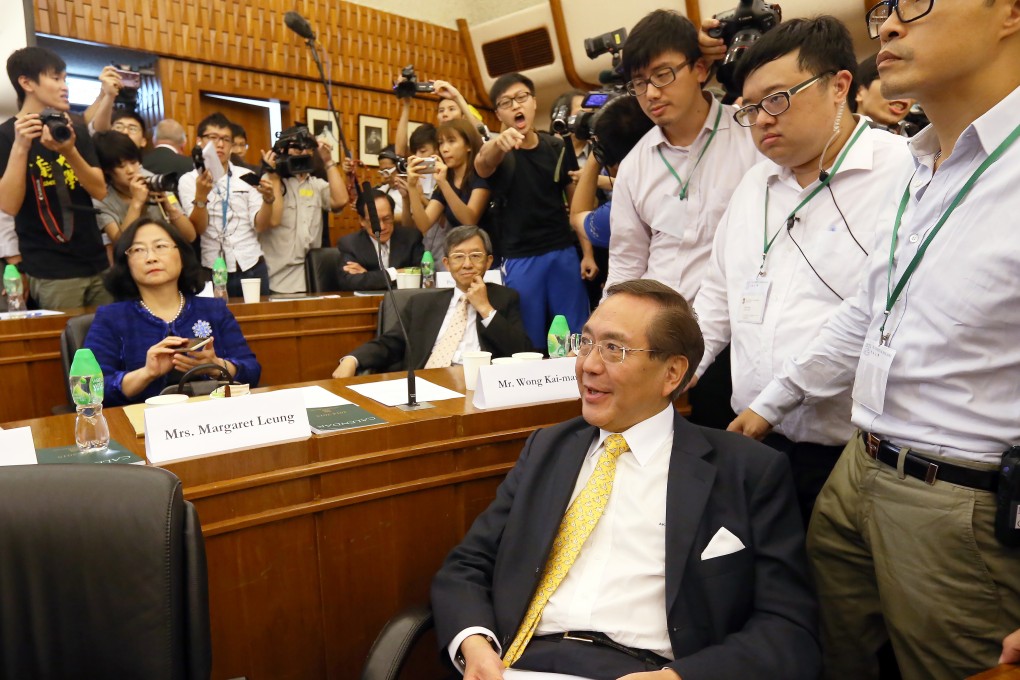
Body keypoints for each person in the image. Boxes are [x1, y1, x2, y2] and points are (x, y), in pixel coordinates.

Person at [728, 1, 1020, 678]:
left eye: (915, 2)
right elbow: (870, 310)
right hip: (861, 465)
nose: (886, 25)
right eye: (881, 8)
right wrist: (772, 403)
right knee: (829, 652)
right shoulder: (925, 163)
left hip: (958, 498)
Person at [431, 278, 820, 679]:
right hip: (519, 661)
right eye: (586, 343)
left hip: (646, 668)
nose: (588, 365)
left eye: (613, 349)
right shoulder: (548, 448)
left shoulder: (746, 470)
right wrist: (474, 644)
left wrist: (677, 678)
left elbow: (788, 628)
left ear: (672, 373)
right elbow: (469, 563)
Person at [690, 17, 912, 525]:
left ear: (839, 86)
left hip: (849, 453)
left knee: (837, 597)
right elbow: (718, 298)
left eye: (777, 99)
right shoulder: (755, 185)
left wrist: (774, 403)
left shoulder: (902, 174)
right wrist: (680, 372)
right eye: (749, 109)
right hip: (755, 440)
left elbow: (872, 314)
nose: (762, 119)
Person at [609, 10, 760, 429]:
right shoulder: (637, 163)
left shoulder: (750, 135)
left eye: (662, 75)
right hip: (656, 343)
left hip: (735, 336)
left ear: (699, 67)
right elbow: (626, 263)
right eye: (639, 83)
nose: (651, 93)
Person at [84, 217, 260, 407]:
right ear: (126, 264)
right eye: (138, 250)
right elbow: (89, 389)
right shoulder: (111, 318)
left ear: (182, 256)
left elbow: (252, 371)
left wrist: (217, 366)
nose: (151, 257)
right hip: (140, 426)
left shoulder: (214, 310)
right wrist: (146, 374)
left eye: (160, 246)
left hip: (214, 418)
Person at [475, 72, 591, 349]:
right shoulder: (498, 152)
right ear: (499, 114)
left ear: (534, 102)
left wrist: (586, 252)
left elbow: (577, 206)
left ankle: (576, 389)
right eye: (506, 102)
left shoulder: (557, 146)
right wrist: (496, 144)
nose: (516, 106)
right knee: (530, 339)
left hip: (562, 251)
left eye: (521, 98)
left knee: (572, 336)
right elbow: (482, 165)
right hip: (521, 257)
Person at [333, 226, 531, 377]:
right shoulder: (421, 304)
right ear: (446, 264)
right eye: (459, 257)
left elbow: (521, 351)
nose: (467, 264)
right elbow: (390, 343)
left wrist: (485, 308)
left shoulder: (505, 298)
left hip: (477, 384)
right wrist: (352, 359)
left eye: (476, 256)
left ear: (488, 262)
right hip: (427, 382)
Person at [0, 46, 111, 310]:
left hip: (96, 260)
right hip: (49, 268)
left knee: (106, 344)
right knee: (66, 345)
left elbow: (100, 190)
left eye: (65, 78)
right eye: (56, 78)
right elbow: (8, 205)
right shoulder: (6, 135)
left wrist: (69, 150)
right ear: (26, 82)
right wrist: (21, 147)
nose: (65, 86)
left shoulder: (74, 127)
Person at [178, 112, 273, 296]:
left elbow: (260, 226)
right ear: (200, 141)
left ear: (231, 145)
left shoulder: (246, 176)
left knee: (260, 322)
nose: (220, 144)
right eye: (213, 138)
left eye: (226, 139)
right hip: (212, 268)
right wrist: (201, 196)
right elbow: (198, 228)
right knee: (218, 322)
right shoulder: (189, 180)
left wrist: (269, 200)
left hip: (251, 264)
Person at [258, 125, 348, 293]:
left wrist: (328, 161)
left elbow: (340, 200)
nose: (302, 152)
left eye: (307, 148)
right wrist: (274, 172)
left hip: (310, 275)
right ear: (283, 150)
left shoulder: (315, 184)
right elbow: (273, 220)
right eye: (296, 148)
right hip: (278, 278)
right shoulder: (269, 182)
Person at [407, 119, 490, 268]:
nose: (444, 149)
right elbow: (423, 224)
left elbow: (469, 219)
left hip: (486, 257)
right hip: (460, 258)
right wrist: (412, 187)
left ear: (468, 146)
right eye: (441, 143)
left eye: (451, 141)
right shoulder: (446, 179)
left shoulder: (480, 174)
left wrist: (443, 184)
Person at [92, 130, 196, 245]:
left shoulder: (154, 181)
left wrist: (170, 208)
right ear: (107, 170)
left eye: (133, 162)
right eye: (121, 166)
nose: (131, 170)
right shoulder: (102, 198)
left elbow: (190, 236)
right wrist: (136, 203)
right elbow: (120, 245)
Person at [336, 189, 423, 291]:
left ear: (393, 215)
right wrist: (396, 273)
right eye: (374, 221)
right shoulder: (350, 244)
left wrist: (368, 276)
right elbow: (349, 282)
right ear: (362, 221)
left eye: (387, 219)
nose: (381, 227)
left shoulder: (411, 238)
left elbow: (422, 275)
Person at [855, 54, 915, 135]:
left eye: (912, 87)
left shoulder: (924, 141)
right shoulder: (838, 141)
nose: (903, 92)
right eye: (893, 82)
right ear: (859, 92)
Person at [375, 147, 412, 226]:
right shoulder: (382, 190)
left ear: (401, 167)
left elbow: (413, 217)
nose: (385, 176)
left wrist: (381, 217)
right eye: (382, 172)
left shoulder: (413, 190)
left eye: (388, 170)